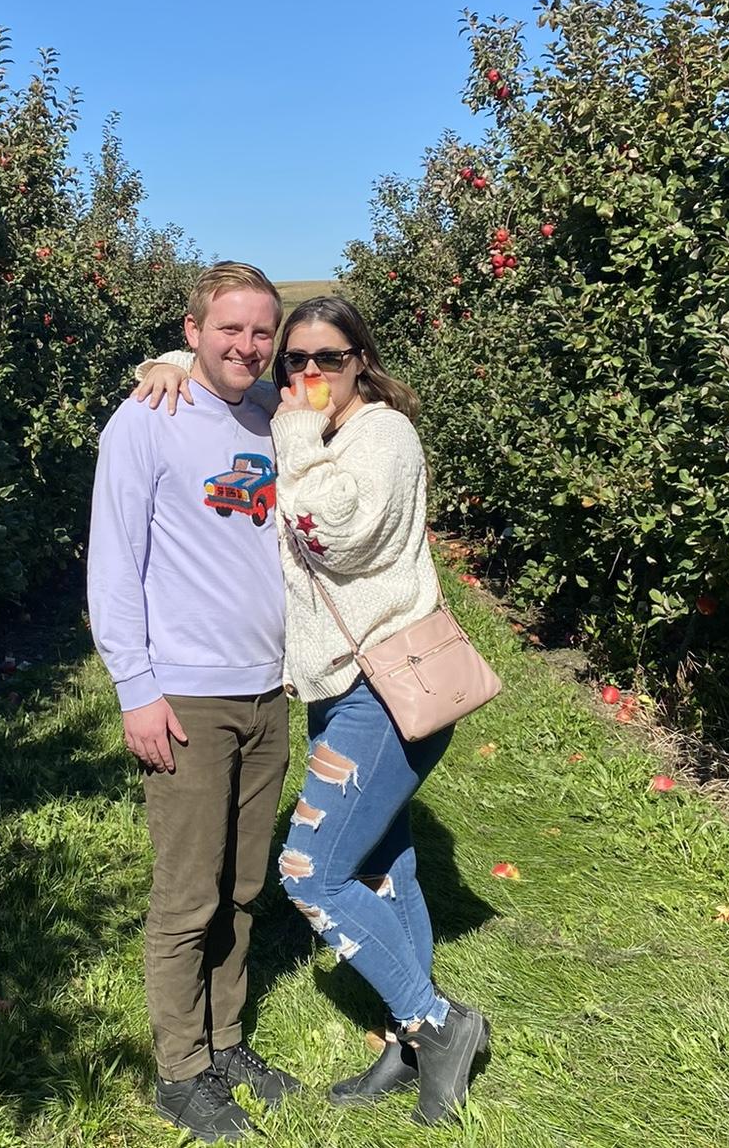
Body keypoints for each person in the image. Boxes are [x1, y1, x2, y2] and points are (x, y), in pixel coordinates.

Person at [132, 293, 490, 1126]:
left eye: (329, 358)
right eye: (295, 360)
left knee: (310, 871)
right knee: (385, 865)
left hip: (383, 687)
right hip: (340, 684)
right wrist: (169, 365)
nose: (309, 374)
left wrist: (295, 429)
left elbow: (334, 530)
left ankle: (440, 1024)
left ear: (361, 359)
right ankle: (410, 1039)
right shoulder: (307, 412)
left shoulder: (380, 435)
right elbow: (224, 370)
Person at [87, 261, 302, 1144]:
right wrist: (136, 689)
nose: (247, 346)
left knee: (243, 887)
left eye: (261, 332)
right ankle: (180, 1072)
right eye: (229, 330)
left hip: (266, 689)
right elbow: (113, 561)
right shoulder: (146, 419)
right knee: (188, 895)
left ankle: (225, 1041)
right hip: (187, 694)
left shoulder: (274, 415)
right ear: (192, 331)